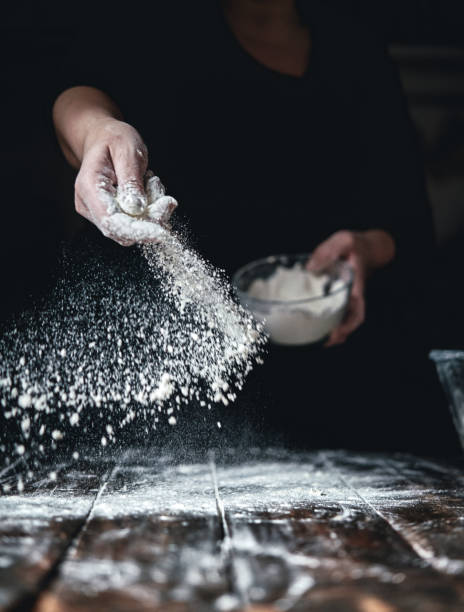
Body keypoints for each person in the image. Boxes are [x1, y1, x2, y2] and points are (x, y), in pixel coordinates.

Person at [52, 0, 461, 454]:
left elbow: (406, 217)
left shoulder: (354, 49)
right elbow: (79, 92)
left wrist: (367, 248)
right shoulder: (155, 20)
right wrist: (99, 132)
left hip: (326, 380)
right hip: (160, 375)